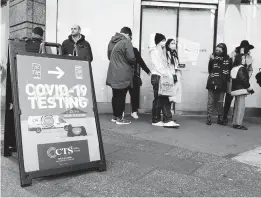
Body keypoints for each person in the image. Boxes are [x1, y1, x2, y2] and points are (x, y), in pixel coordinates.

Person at [106, 27, 136, 125]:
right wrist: (134, 61)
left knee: (115, 95)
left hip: (113, 71)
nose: (130, 39)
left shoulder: (112, 41)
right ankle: (120, 118)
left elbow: (109, 56)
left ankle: (115, 116)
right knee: (121, 95)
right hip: (123, 72)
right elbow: (131, 58)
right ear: (128, 34)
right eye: (130, 37)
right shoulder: (126, 42)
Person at [150, 33, 180, 128]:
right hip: (158, 76)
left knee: (160, 99)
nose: (164, 42)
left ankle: (158, 119)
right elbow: (158, 66)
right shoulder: (154, 51)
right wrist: (167, 75)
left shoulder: (161, 51)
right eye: (163, 40)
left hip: (161, 76)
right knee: (161, 99)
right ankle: (164, 119)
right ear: (158, 41)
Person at [223, 40, 254, 125]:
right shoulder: (234, 54)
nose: (245, 49)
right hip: (232, 79)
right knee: (229, 98)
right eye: (244, 48)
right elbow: (228, 66)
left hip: (242, 80)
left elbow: (250, 69)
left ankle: (235, 117)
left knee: (239, 99)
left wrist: (246, 76)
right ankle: (224, 116)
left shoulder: (249, 57)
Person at [206, 43, 232, 125]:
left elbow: (227, 69)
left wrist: (214, 60)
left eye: (219, 50)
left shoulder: (228, 59)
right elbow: (210, 70)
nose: (217, 51)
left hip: (223, 82)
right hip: (212, 81)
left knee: (220, 101)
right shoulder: (212, 57)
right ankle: (209, 117)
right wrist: (212, 60)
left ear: (223, 50)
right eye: (216, 50)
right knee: (210, 101)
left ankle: (220, 117)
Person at [230, 54, 254, 130]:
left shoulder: (234, 68)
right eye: (242, 58)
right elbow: (244, 80)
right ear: (239, 59)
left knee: (236, 107)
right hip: (241, 90)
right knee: (241, 108)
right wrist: (250, 89)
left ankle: (235, 123)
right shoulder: (242, 68)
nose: (244, 60)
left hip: (235, 90)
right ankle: (238, 124)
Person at [128, 47, 151, 119]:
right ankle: (120, 112)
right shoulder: (120, 49)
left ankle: (134, 111)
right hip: (123, 75)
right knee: (122, 94)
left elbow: (140, 61)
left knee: (134, 94)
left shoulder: (133, 50)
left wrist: (148, 71)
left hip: (133, 75)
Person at [165, 38, 182, 120]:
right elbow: (167, 67)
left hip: (175, 77)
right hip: (170, 78)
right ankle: (167, 117)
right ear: (168, 45)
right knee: (168, 97)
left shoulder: (174, 54)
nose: (174, 44)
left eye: (174, 43)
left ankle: (168, 116)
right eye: (172, 43)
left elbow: (176, 66)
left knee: (172, 97)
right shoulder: (167, 54)